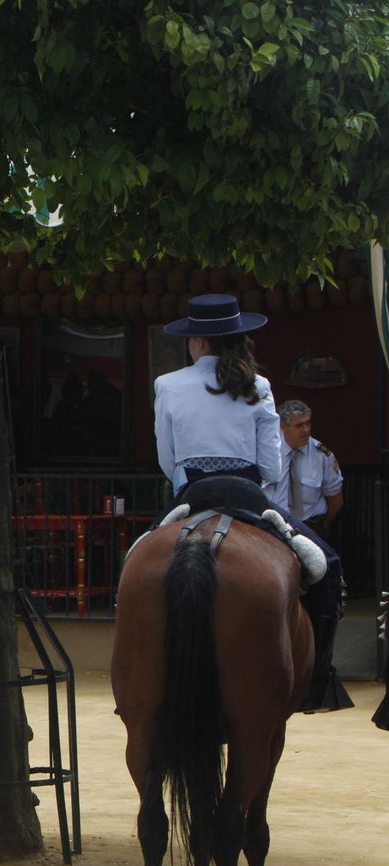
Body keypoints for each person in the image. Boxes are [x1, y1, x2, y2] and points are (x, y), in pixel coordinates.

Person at [154, 293, 345, 710]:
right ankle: (317, 681)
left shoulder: (166, 385)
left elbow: (168, 462)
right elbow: (273, 469)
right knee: (326, 566)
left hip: (190, 495)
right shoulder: (259, 387)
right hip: (249, 497)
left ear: (199, 342)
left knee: (137, 566)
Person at [265, 399, 344, 531]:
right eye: (299, 425)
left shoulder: (322, 455)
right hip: (272, 528)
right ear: (282, 426)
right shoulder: (267, 451)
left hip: (310, 528)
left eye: (308, 423)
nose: (306, 430)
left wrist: (322, 526)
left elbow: (335, 501)